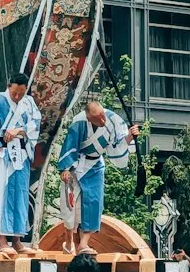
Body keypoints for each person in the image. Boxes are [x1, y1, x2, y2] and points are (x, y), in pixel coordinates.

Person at [56, 99, 141, 255]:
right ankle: (68, 242)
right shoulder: (79, 122)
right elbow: (70, 145)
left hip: (95, 166)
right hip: (76, 164)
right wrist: (65, 168)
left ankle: (83, 244)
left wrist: (130, 135)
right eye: (98, 119)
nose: (102, 120)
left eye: (103, 116)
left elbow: (116, 147)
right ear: (89, 118)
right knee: (70, 205)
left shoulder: (113, 120)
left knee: (94, 204)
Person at [0, 72, 41, 257]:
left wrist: (19, 129)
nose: (18, 97)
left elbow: (36, 124)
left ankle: (17, 240)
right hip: (4, 152)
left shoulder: (29, 103)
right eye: (15, 93)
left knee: (20, 194)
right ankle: (2, 240)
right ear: (8, 86)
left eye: (21, 93)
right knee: (2, 194)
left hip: (21, 152)